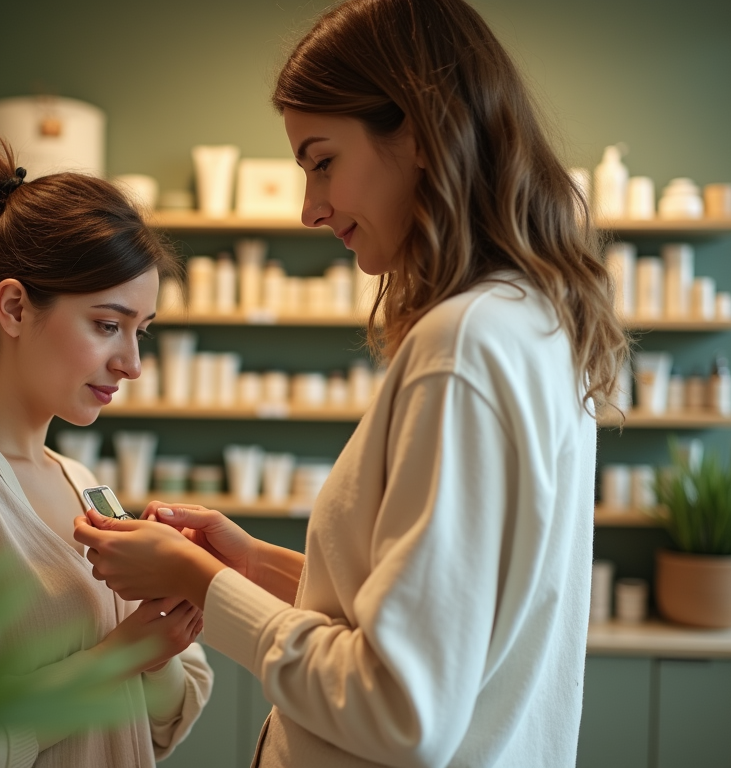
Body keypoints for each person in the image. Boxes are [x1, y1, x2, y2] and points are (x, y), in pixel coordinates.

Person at [73, 0, 628, 766]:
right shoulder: (532, 322)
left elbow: (401, 710)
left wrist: (202, 584)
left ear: (422, 132)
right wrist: (248, 563)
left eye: (322, 160)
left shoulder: (462, 344)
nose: (309, 209)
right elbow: (436, 616)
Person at [0, 143, 212, 768]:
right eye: (108, 325)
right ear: (15, 308)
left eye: (141, 331)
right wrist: (120, 654)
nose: (131, 363)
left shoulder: (82, 482)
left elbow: (161, 719)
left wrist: (164, 634)